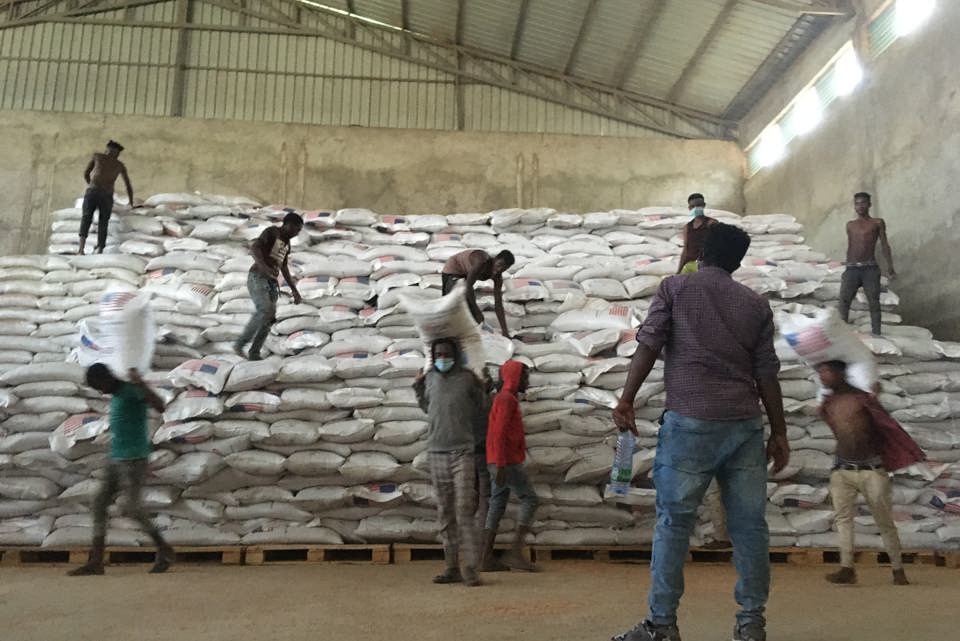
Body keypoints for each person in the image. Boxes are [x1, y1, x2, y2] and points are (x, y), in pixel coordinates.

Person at [610, 223, 790, 641]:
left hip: (690, 423)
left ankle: (662, 624)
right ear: (739, 261)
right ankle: (751, 624)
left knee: (674, 523)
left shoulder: (675, 288)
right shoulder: (755, 304)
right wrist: (779, 432)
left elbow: (649, 345)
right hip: (744, 426)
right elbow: (767, 373)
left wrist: (626, 399)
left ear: (702, 253)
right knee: (749, 526)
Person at [816, 360, 924, 587]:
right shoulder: (828, 403)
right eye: (820, 372)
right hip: (842, 470)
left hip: (871, 470)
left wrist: (875, 399)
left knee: (884, 521)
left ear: (840, 374)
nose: (822, 376)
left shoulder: (863, 400)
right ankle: (847, 568)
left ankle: (897, 570)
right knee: (843, 520)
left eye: (827, 372)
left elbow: (885, 427)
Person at [69, 365, 173, 576]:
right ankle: (96, 561)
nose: (100, 391)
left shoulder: (132, 390)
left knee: (132, 508)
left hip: (134, 459)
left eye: (99, 386)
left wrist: (141, 383)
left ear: (106, 379)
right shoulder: (116, 394)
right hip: (116, 457)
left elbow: (160, 406)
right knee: (99, 503)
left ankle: (164, 549)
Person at [413, 338, 489, 587]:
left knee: (465, 509)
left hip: (462, 452)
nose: (442, 357)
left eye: (446, 353)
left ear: (455, 354)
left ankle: (470, 568)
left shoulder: (467, 378)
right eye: (438, 354)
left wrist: (483, 388)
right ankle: (451, 566)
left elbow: (480, 408)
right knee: (445, 512)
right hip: (436, 452)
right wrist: (416, 387)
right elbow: (427, 407)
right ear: (433, 357)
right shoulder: (430, 378)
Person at [480, 360, 539, 573]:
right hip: (506, 461)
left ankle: (485, 557)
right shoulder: (506, 399)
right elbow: (499, 432)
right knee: (530, 499)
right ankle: (515, 553)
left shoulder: (504, 398)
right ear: (514, 378)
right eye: (524, 377)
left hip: (496, 459)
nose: (527, 381)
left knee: (497, 502)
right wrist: (502, 464)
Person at [233, 212, 304, 361]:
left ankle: (254, 353)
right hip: (257, 277)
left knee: (269, 318)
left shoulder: (286, 243)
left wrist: (294, 290)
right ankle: (240, 344)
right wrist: (263, 266)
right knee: (266, 309)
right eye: (296, 229)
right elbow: (254, 248)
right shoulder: (273, 232)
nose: (297, 233)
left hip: (271, 283)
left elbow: (284, 268)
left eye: (299, 230)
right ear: (287, 225)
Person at [837, 192, 895, 336]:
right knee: (844, 302)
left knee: (874, 303)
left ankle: (876, 334)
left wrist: (890, 267)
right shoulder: (850, 225)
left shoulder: (877, 223)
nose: (860, 206)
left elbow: (885, 245)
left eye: (863, 203)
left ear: (869, 204)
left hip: (870, 268)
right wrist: (847, 264)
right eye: (857, 203)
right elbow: (851, 246)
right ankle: (842, 335)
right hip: (852, 269)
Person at [441, 249, 515, 337]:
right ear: (494, 259)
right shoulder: (481, 261)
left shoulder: (498, 276)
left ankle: (473, 335)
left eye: (503, 269)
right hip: (453, 271)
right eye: (499, 265)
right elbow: (468, 286)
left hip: (465, 275)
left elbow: (498, 304)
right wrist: (477, 311)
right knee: (456, 303)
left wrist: (505, 331)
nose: (499, 270)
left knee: (471, 312)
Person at [78, 140, 135, 255]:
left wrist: (92, 185)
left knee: (87, 218)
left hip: (94, 192)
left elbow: (86, 173)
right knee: (102, 222)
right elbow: (128, 184)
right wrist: (131, 202)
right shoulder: (118, 165)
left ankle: (82, 249)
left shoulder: (98, 157)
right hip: (105, 195)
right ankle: (98, 249)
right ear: (115, 152)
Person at [676, 193, 718, 274]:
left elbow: (718, 246)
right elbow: (685, 250)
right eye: (693, 206)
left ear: (704, 205)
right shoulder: (687, 227)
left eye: (698, 205)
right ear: (689, 208)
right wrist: (679, 271)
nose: (696, 208)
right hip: (689, 265)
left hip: (706, 265)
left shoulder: (711, 223)